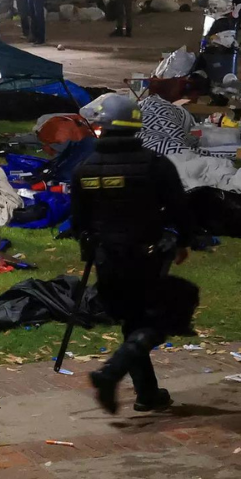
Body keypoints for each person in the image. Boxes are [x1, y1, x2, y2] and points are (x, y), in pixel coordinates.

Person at [73, 94, 199, 414]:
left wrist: (90, 249)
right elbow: (179, 209)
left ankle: (147, 392)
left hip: (106, 259)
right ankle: (110, 373)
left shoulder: (84, 169)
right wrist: (183, 241)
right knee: (166, 315)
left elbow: (79, 222)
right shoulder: (155, 165)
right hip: (147, 257)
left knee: (133, 321)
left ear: (102, 127)